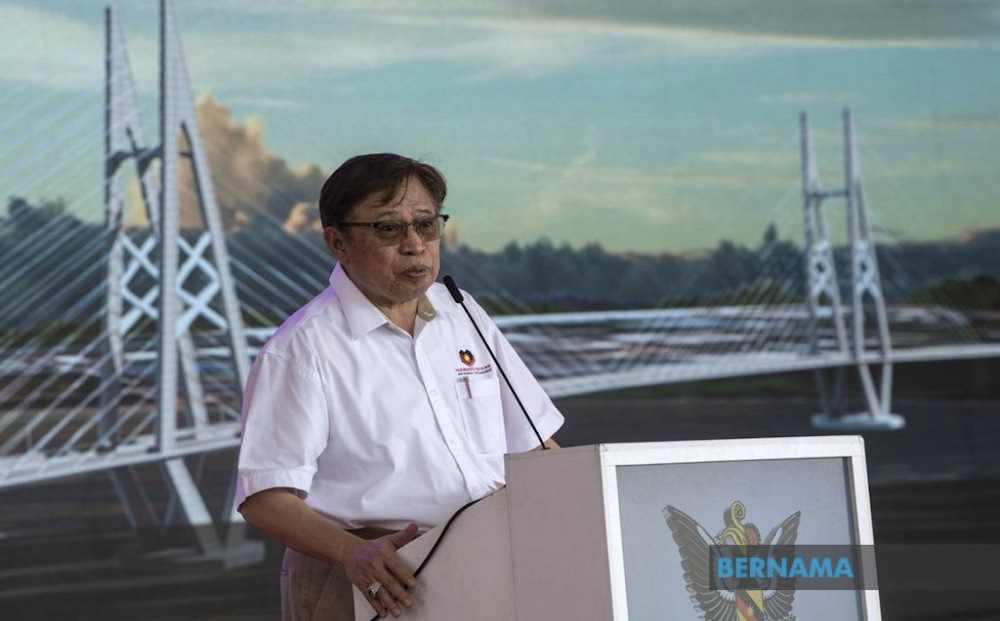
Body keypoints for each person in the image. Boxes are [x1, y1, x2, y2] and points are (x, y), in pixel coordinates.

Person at [235, 153, 564, 620]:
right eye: (389, 229)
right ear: (337, 242)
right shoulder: (302, 349)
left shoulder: (461, 311)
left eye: (426, 225)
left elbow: (536, 445)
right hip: (370, 574)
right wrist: (352, 553)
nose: (415, 245)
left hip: (487, 563)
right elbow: (264, 498)